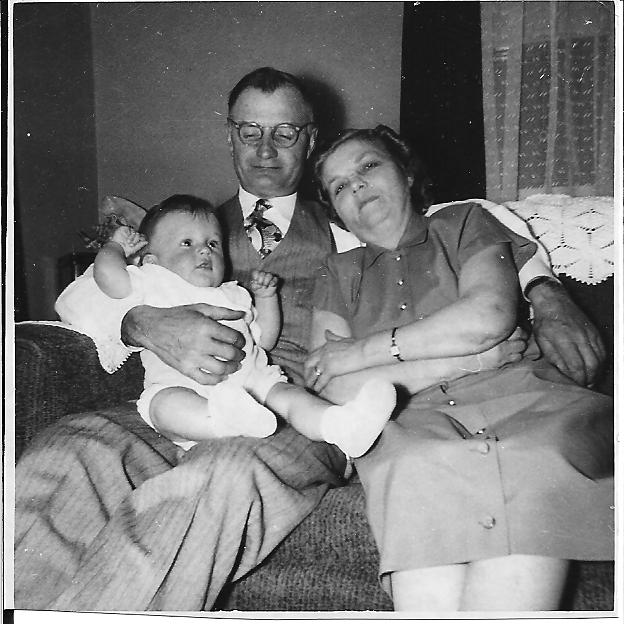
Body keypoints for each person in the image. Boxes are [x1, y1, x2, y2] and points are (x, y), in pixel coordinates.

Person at [14, 67, 606, 611]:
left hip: (294, 412)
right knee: (72, 447)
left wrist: (546, 292)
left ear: (310, 139)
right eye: (249, 132)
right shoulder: (187, 226)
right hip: (173, 397)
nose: (265, 150)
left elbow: (464, 226)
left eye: (286, 133)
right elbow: (81, 296)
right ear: (229, 136)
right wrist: (141, 323)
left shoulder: (350, 222)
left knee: (222, 475)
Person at [305, 125, 613, 611]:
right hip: (414, 427)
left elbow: (489, 316)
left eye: (369, 166)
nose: (357, 185)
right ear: (335, 212)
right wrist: (469, 358)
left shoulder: (466, 222)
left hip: (528, 404)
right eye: (339, 186)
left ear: (407, 173)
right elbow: (335, 388)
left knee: (531, 460)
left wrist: (362, 351)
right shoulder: (335, 273)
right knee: (414, 468)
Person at [93, 194, 397, 457]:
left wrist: (266, 299)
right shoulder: (152, 280)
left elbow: (264, 340)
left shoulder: (234, 294)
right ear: (151, 261)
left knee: (290, 397)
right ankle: (224, 423)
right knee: (164, 405)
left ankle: (341, 425)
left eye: (213, 243)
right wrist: (115, 246)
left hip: (252, 383)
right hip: (182, 385)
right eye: (187, 243)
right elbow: (108, 277)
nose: (205, 250)